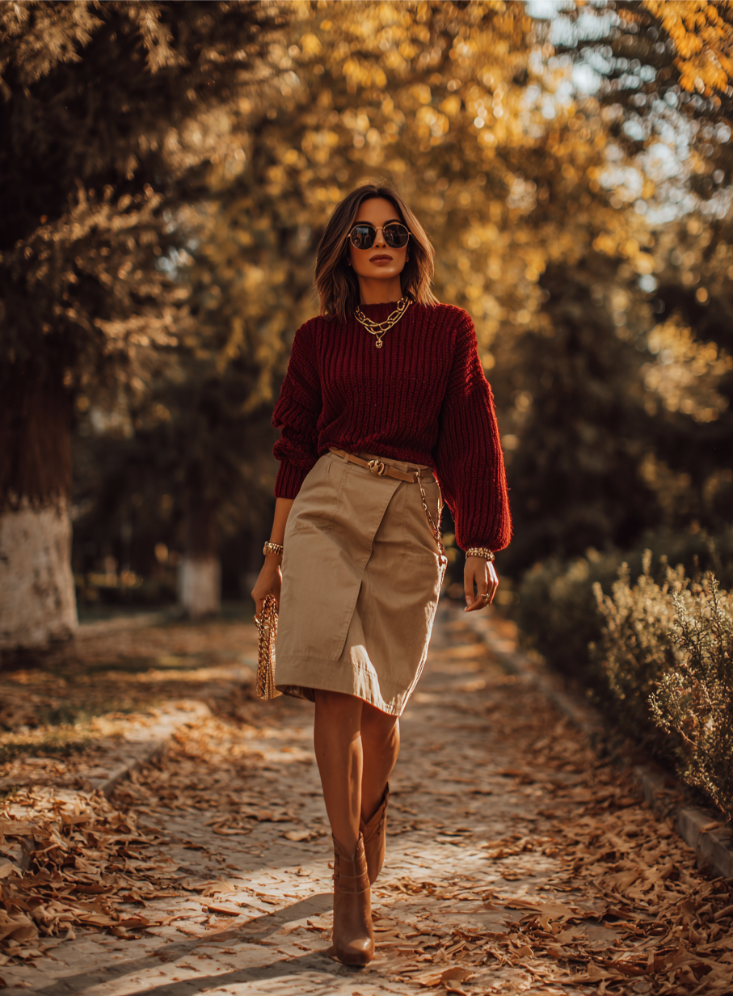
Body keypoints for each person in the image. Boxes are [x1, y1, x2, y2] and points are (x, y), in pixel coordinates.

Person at [252, 183, 511, 965]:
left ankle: (369, 823)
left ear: (411, 243)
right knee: (335, 682)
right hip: (328, 502)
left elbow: (471, 428)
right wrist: (273, 557)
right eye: (362, 233)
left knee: (380, 705)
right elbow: (294, 447)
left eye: (392, 230)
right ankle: (347, 871)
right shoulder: (317, 339)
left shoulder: (447, 330)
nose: (378, 242)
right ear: (344, 246)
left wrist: (480, 542)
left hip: (409, 512)